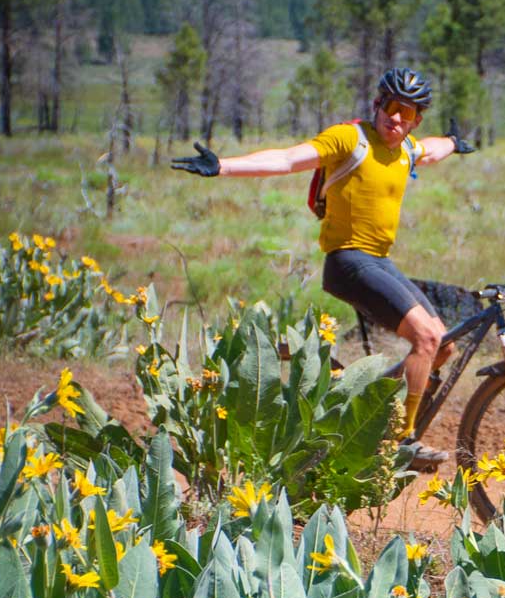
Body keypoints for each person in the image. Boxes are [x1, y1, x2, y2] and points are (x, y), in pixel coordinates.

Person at [172, 66, 474, 470]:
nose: (396, 117)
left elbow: (431, 150)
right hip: (349, 260)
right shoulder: (351, 139)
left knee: (444, 344)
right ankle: (403, 442)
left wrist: (453, 141)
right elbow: (287, 159)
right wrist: (222, 166)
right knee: (425, 338)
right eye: (390, 106)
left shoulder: (405, 149)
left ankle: (370, 404)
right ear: (376, 104)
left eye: (408, 111)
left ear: (417, 119)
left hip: (379, 261)